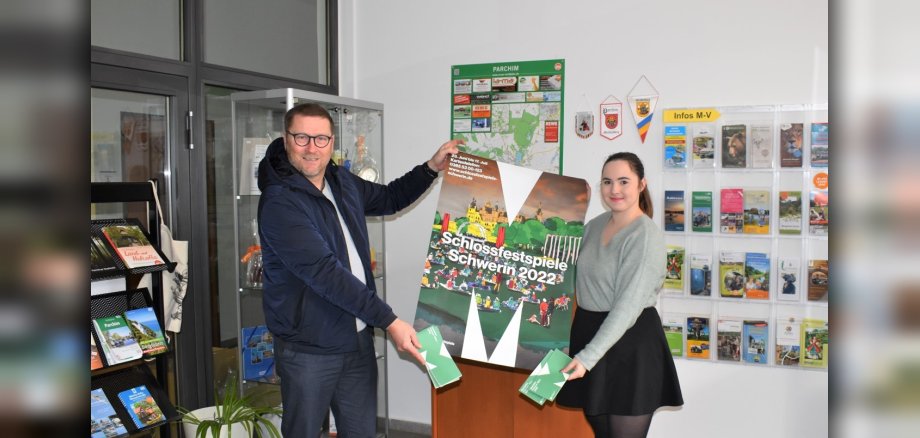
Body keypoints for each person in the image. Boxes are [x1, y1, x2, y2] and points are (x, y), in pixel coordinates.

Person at [257, 103, 462, 437]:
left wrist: (430, 168)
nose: (312, 148)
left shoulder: (340, 181)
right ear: (286, 139)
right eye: (302, 137)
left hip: (356, 340)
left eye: (321, 139)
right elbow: (326, 274)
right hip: (309, 348)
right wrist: (390, 322)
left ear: (332, 142)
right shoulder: (280, 201)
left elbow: (390, 197)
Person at [557, 152, 683, 438]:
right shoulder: (594, 226)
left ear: (641, 185)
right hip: (591, 335)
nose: (614, 189)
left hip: (631, 345)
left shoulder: (645, 235)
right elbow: (561, 270)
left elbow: (627, 307)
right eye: (607, 181)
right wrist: (570, 208)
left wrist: (587, 358)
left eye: (624, 181)